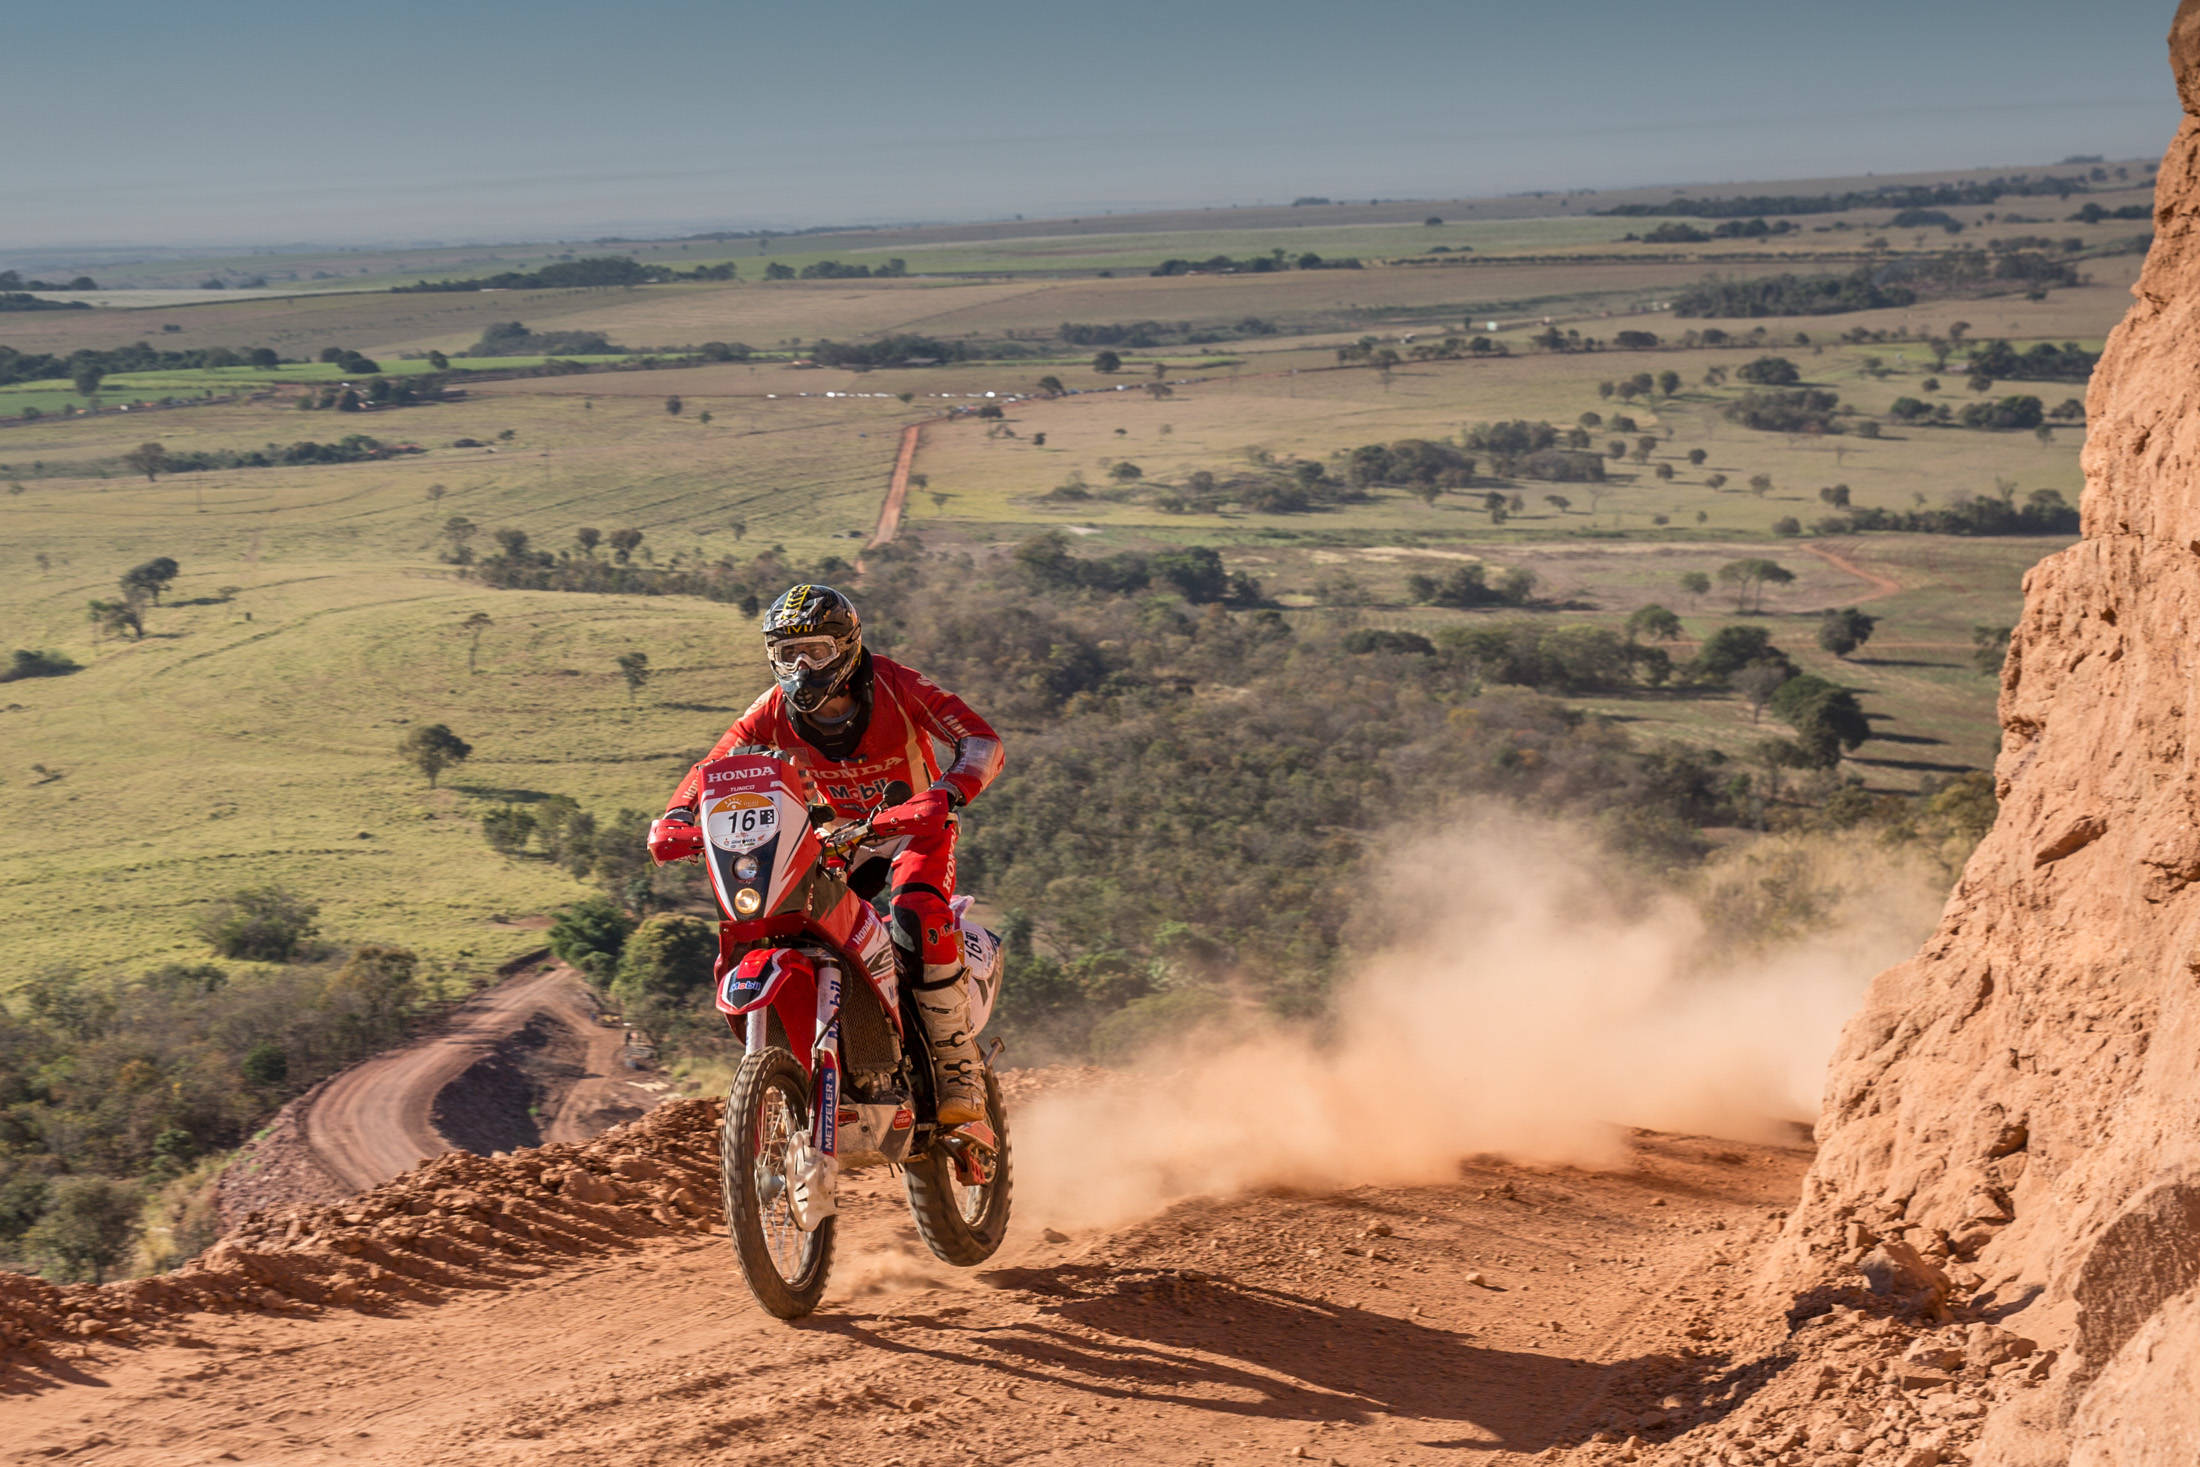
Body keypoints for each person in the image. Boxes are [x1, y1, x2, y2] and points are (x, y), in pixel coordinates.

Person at [662, 584, 1004, 1124]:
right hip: (836, 838)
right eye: (786, 655)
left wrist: (948, 793)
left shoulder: (896, 685)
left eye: (816, 652)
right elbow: (712, 768)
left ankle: (956, 1062)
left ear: (847, 648)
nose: (801, 668)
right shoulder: (770, 710)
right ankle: (843, 1063)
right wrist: (678, 819)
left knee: (915, 911)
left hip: (915, 825)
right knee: (792, 919)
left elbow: (982, 743)